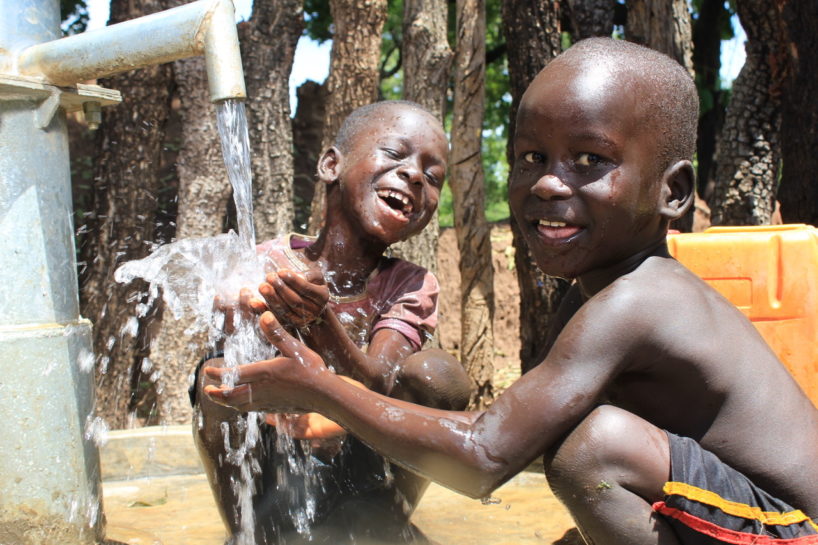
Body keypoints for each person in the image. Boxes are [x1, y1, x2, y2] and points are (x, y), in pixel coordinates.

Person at [204, 38, 818, 545]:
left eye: (589, 159)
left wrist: (320, 388)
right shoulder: (595, 297)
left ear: (673, 192)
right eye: (530, 156)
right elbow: (516, 441)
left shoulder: (641, 299)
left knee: (595, 451)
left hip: (797, 528)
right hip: (742, 515)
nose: (548, 182)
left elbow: (485, 457)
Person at [192, 100, 472, 544]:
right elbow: (229, 342)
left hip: (365, 462)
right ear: (330, 164)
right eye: (395, 155)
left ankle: (384, 519)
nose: (415, 176)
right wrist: (236, 311)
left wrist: (323, 324)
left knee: (438, 375)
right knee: (214, 371)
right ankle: (250, 531)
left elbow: (381, 380)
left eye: (433, 177)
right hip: (274, 461)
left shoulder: (408, 284)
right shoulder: (266, 264)